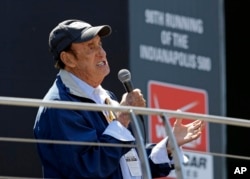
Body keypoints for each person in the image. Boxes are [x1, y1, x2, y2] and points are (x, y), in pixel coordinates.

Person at [33, 19, 203, 179]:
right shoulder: (59, 106)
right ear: (68, 59)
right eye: (90, 47)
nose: (101, 53)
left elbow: (125, 164)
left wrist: (168, 148)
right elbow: (89, 169)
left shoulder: (106, 97)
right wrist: (122, 118)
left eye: (100, 44)